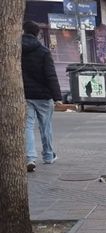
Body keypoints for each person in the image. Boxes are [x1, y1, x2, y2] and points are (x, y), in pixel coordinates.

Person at [21, 21, 62, 172]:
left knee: (28, 126)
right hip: (43, 95)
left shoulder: (16, 50)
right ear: (37, 34)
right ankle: (48, 155)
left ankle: (30, 157)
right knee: (46, 126)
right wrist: (57, 97)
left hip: (25, 94)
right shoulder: (43, 51)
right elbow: (50, 75)